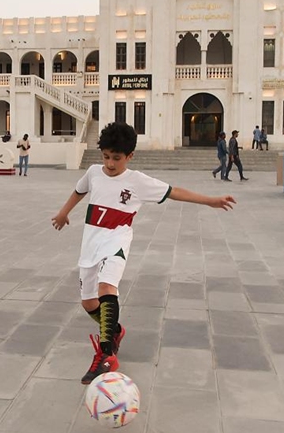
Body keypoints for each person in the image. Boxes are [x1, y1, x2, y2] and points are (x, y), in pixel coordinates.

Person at [51, 122, 235, 385]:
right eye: (106, 156)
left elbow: (174, 192)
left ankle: (106, 355)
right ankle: (114, 330)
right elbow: (79, 190)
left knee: (107, 289)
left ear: (130, 157)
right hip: (90, 244)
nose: (110, 163)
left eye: (116, 158)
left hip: (116, 242)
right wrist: (63, 212)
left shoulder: (137, 182)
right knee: (89, 303)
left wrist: (210, 200)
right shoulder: (93, 173)